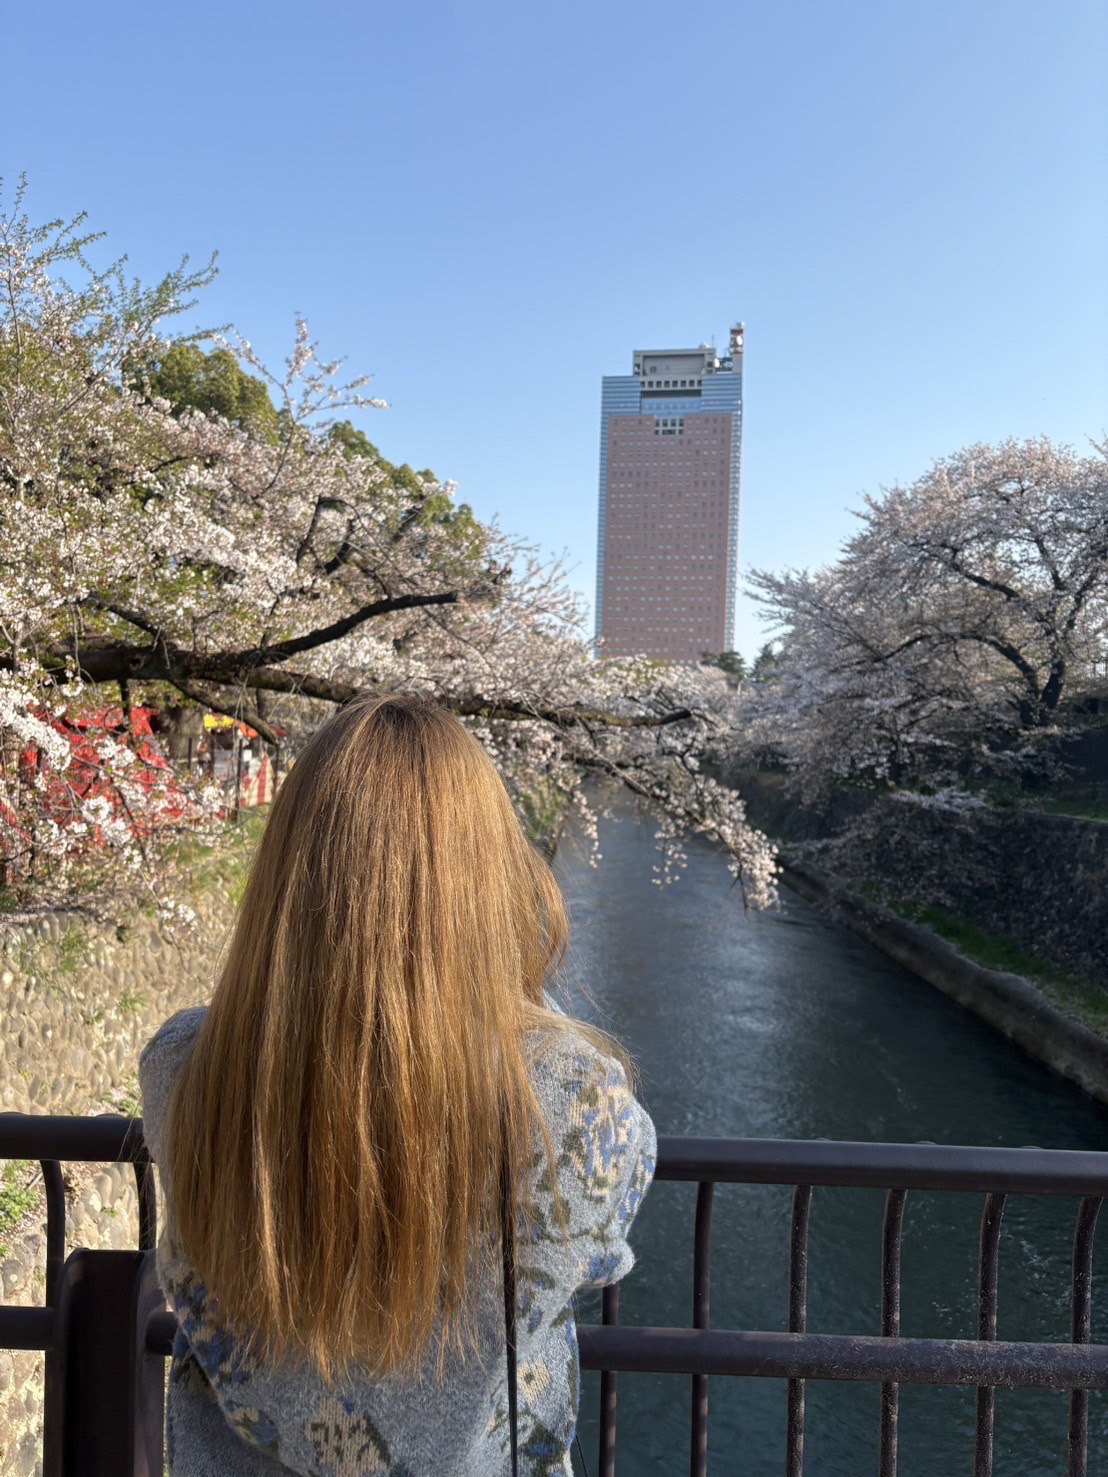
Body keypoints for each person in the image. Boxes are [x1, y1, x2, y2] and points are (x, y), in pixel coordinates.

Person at [139, 693, 656, 1476]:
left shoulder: (182, 1066)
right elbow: (603, 1251)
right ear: (491, 880)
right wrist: (511, 980)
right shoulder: (573, 1103)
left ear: (285, 873)